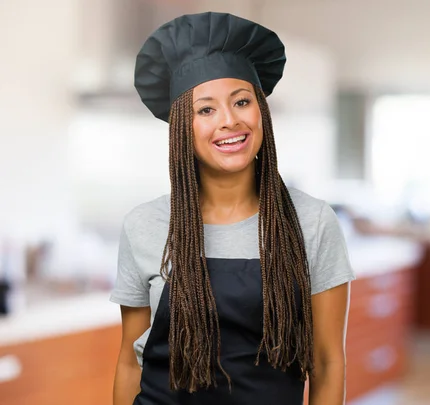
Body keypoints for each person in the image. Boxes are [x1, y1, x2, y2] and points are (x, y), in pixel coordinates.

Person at [110, 12, 355, 405]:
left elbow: (327, 364)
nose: (229, 121)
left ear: (261, 111)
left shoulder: (312, 222)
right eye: (206, 109)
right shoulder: (144, 225)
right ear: (181, 129)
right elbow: (129, 361)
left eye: (242, 101)